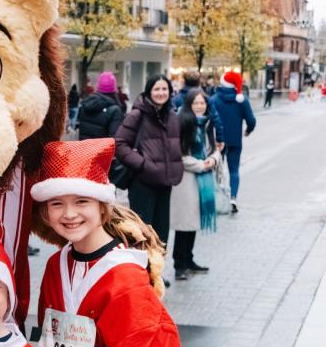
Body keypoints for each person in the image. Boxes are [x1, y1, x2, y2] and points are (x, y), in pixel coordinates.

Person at [31, 138, 182, 347]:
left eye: (81, 201)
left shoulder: (125, 279)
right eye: (57, 204)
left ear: (102, 206)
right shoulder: (58, 264)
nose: (69, 214)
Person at [114, 74, 183, 252]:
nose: (161, 93)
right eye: (157, 89)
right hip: (142, 183)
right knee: (142, 232)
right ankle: (142, 275)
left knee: (161, 233)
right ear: (149, 91)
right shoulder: (137, 114)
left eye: (164, 89)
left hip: (165, 182)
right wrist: (142, 164)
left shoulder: (173, 116)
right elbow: (120, 144)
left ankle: (156, 275)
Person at [171, 89, 221, 280]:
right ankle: (179, 264)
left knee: (193, 224)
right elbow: (179, 155)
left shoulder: (207, 123)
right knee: (185, 224)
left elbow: (215, 148)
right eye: (196, 103)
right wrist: (201, 164)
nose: (200, 107)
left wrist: (213, 160)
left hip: (203, 178)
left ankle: (189, 259)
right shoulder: (182, 123)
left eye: (203, 103)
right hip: (186, 180)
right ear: (188, 105)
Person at [210, 71, 256, 214]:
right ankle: (233, 198)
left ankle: (216, 197)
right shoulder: (242, 101)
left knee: (216, 168)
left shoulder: (213, 100)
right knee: (234, 170)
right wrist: (248, 130)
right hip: (235, 140)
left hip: (217, 140)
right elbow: (252, 120)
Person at [77, 71, 124, 141]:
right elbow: (115, 139)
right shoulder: (115, 110)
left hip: (83, 150)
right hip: (103, 151)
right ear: (114, 88)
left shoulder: (86, 103)